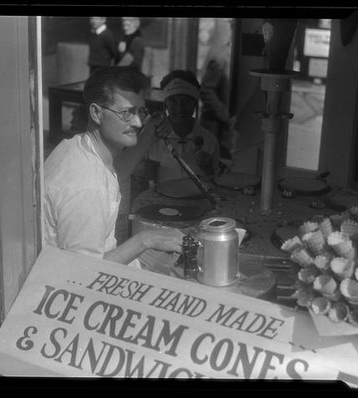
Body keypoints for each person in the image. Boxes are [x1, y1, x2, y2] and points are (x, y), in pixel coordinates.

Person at [44, 66, 184, 267]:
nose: (137, 122)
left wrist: (150, 132)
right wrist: (145, 240)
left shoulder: (79, 147)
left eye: (140, 111)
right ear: (96, 113)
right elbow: (82, 272)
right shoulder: (85, 186)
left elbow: (114, 172)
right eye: (127, 112)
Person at [199, 19, 236, 160]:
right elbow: (206, 91)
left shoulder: (229, 55)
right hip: (215, 126)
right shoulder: (220, 58)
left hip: (221, 127)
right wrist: (224, 114)